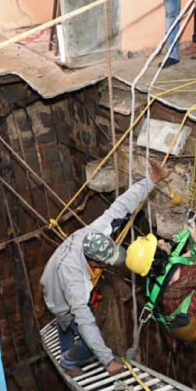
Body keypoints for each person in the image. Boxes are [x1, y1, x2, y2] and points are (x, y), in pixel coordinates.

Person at [40, 159, 172, 377]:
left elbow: (121, 205)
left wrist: (152, 180)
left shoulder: (94, 233)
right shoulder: (75, 280)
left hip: (54, 275)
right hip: (57, 296)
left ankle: (68, 355)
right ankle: (69, 360)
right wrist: (108, 361)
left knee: (73, 323)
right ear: (94, 263)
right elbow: (84, 321)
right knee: (79, 332)